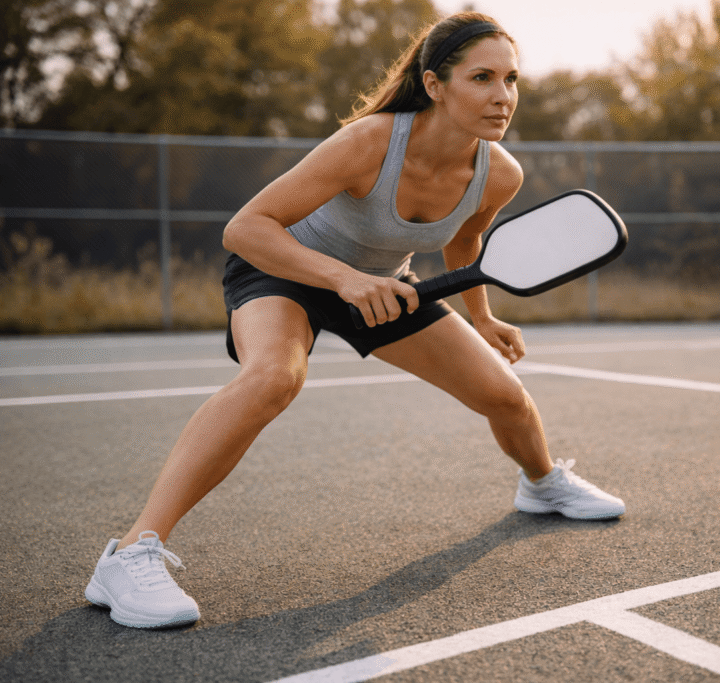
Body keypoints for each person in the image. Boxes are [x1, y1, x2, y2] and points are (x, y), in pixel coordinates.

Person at [85, 11, 625, 630]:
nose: (503, 96)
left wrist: (482, 318)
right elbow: (245, 229)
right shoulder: (370, 142)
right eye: (482, 78)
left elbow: (466, 246)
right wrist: (342, 279)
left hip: (384, 287)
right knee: (273, 379)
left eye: (511, 79)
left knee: (505, 397)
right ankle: (130, 555)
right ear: (434, 84)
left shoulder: (498, 174)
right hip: (282, 270)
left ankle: (542, 484)